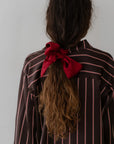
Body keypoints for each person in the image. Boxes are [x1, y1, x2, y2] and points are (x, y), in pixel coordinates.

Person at [13, 0, 114, 144]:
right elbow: (110, 131)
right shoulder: (103, 64)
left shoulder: (33, 65)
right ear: (86, 19)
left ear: (50, 16)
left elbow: (25, 135)